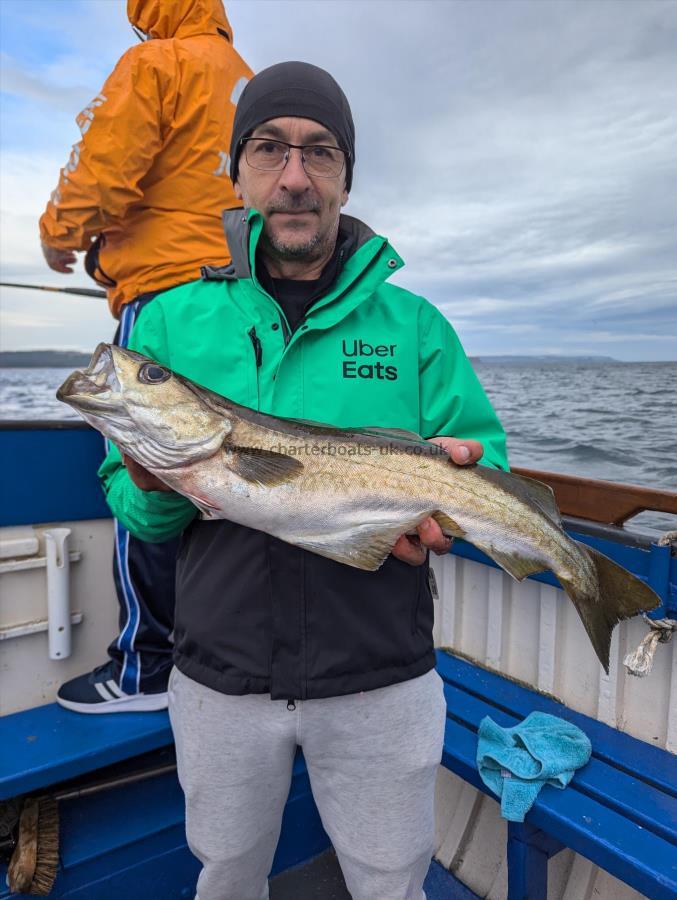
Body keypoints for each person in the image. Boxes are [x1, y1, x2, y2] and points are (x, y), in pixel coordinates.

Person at [98, 61, 508, 900]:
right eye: (270, 150)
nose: (294, 177)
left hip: (380, 677)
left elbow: (481, 461)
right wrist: (154, 481)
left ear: (346, 176)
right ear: (237, 170)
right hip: (218, 677)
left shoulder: (415, 326)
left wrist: (454, 509)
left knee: (391, 880)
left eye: (320, 153)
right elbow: (136, 511)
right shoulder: (173, 320)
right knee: (226, 872)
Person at [38, 0, 252, 712]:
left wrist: (59, 232)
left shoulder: (156, 62)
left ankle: (144, 668)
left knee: (147, 474)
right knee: (217, 473)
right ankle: (216, 646)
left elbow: (106, 166)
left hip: (163, 295)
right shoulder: (244, 78)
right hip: (243, 303)